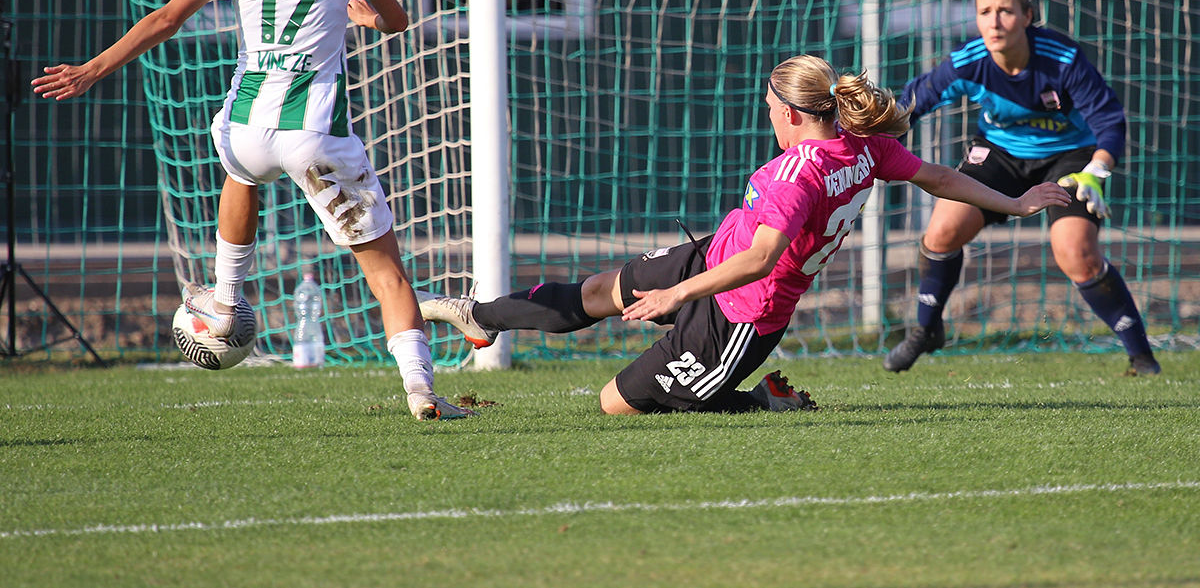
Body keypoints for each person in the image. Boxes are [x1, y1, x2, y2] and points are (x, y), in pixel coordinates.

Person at [32, 0, 471, 420]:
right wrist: (362, 14)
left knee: (240, 177)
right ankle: (421, 391)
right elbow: (397, 21)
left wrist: (93, 68)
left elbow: (166, 19)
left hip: (242, 126)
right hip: (314, 135)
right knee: (386, 274)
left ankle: (226, 299)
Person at [420, 54, 1070, 414]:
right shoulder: (863, 149)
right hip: (711, 256)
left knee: (613, 404)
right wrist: (1010, 202)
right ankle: (480, 315)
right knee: (596, 291)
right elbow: (938, 177)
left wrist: (678, 299)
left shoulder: (791, 175)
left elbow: (763, 260)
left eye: (768, 107)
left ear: (790, 112)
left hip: (738, 317)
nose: (767, 115)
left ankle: (763, 398)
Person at [883, 0, 1161, 376]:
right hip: (1000, 154)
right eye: (985, 12)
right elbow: (913, 101)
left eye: (1005, 11)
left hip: (1069, 157)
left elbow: (1110, 123)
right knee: (942, 231)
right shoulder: (969, 60)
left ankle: (1141, 356)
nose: (994, 21)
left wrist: (1096, 171)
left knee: (1076, 253)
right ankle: (926, 330)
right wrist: (868, 126)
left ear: (1027, 16)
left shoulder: (1061, 58)